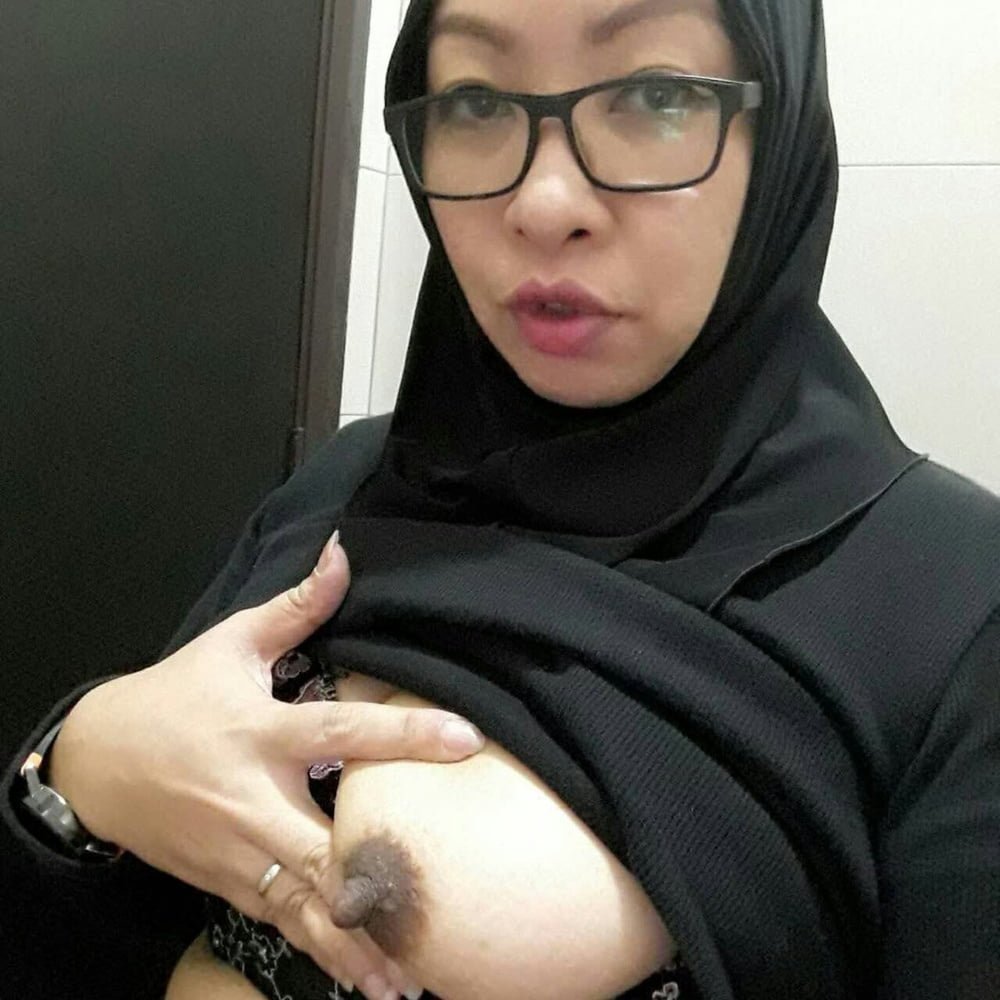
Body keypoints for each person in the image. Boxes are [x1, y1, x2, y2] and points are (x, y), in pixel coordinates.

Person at [4, 1, 999, 999]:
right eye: (475, 101)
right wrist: (76, 772)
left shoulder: (951, 603)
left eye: (654, 95)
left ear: (776, 135)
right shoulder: (345, 485)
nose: (544, 201)